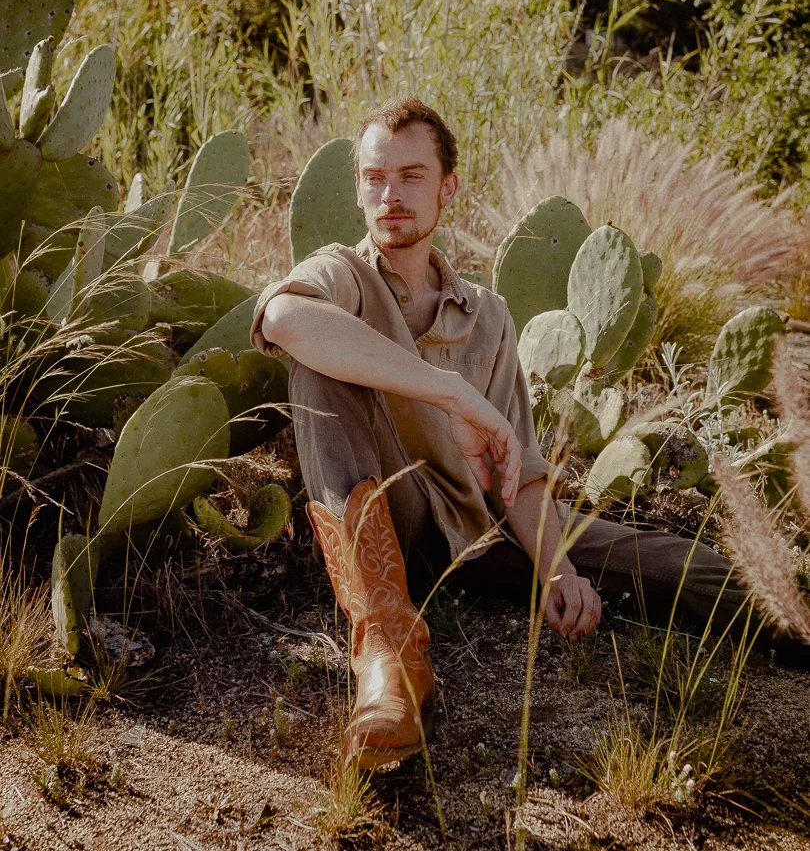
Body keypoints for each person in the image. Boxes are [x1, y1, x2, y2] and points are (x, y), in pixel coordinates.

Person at [250, 97, 752, 771]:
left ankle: (788, 612)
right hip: (383, 520)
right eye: (375, 177)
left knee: (683, 568)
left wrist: (560, 571)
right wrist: (450, 391)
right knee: (318, 360)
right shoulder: (343, 275)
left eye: (411, 175)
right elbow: (282, 319)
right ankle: (389, 658)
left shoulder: (486, 314)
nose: (390, 195)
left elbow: (518, 470)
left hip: (480, 529)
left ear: (448, 188)